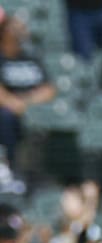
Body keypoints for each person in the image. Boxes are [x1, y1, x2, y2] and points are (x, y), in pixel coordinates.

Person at [0, 16, 56, 168]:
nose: (20, 32)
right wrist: (14, 104)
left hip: (31, 106)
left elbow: (49, 89)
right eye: (15, 28)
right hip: (7, 109)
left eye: (22, 28)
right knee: (5, 117)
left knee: (56, 115)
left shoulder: (31, 57)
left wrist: (27, 103)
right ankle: (10, 166)